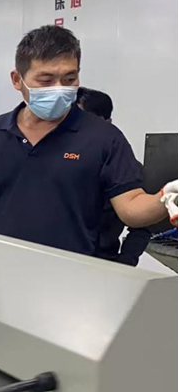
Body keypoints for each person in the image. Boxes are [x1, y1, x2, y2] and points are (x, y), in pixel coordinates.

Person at [0, 25, 177, 256]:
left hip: (75, 271)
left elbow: (131, 206)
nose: (59, 89)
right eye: (46, 80)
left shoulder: (104, 138)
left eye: (69, 78)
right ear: (17, 79)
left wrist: (164, 198)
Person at [78, 87, 152, 266]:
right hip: (51, 258)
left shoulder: (125, 168)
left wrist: (125, 261)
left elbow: (142, 225)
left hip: (100, 263)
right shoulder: (52, 159)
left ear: (107, 123)